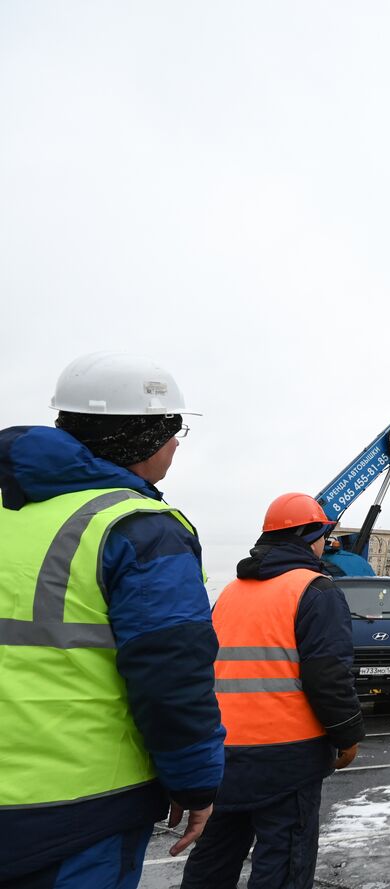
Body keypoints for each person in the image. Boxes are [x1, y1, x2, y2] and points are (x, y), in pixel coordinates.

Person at [0, 352, 224, 888]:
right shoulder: (138, 528)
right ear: (142, 439)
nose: (174, 446)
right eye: (173, 432)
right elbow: (172, 674)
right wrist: (195, 785)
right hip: (77, 810)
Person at [181, 492, 364, 889]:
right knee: (282, 863)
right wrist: (348, 734)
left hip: (223, 755)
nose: (323, 545)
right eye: (320, 536)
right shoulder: (316, 590)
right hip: (288, 757)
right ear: (306, 537)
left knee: (213, 859)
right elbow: (329, 676)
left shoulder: (230, 593)